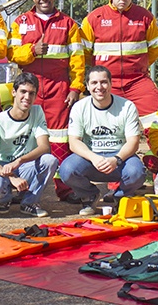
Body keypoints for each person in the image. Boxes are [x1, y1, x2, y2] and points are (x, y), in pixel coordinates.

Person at [7, 0, 84, 202]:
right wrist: (32, 50)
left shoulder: (68, 24)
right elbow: (11, 52)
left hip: (58, 87)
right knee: (25, 137)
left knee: (59, 138)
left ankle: (64, 189)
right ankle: (23, 186)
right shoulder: (21, 22)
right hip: (29, 87)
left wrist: (76, 87)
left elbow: (77, 60)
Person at [59, 66, 146, 216]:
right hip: (91, 159)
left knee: (137, 172)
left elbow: (133, 142)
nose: (99, 87)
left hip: (119, 158)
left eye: (104, 82)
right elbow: (74, 143)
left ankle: (120, 197)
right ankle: (89, 195)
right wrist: (94, 158)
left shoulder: (127, 106)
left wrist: (116, 159)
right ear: (87, 86)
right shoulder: (79, 107)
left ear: (111, 84)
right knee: (66, 170)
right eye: (94, 83)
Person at [80, 0, 158, 129]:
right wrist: (99, 73)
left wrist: (140, 66)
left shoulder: (145, 17)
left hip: (138, 81)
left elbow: (156, 48)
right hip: (106, 82)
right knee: (103, 126)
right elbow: (83, 53)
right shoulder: (94, 18)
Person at [0, 73, 57, 218]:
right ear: (14, 92)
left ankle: (29, 203)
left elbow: (44, 147)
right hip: (2, 167)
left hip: (23, 165)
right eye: (23, 92)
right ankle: (4, 200)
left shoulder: (37, 112)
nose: (27, 97)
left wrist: (20, 160)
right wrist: (11, 177)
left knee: (49, 160)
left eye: (31, 93)